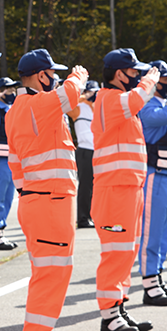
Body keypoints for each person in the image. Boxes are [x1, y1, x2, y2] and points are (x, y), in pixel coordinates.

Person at [6, 48, 85, 331]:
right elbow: (72, 93)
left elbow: (15, 163)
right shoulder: (40, 103)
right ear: (41, 75)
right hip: (49, 201)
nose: (57, 78)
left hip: (39, 199)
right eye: (53, 73)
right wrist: (78, 74)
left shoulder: (17, 109)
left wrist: (30, 192)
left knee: (51, 273)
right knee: (52, 274)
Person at [91, 48, 157, 331]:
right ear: (120, 74)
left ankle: (118, 308)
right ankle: (109, 315)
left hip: (128, 187)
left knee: (127, 251)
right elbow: (138, 98)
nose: (138, 76)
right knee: (115, 252)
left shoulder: (120, 103)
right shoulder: (109, 99)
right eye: (134, 72)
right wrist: (151, 80)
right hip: (114, 189)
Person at [137, 60, 167, 306]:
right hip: (154, 177)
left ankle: (157, 279)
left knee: (164, 233)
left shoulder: (165, 105)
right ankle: (149, 285)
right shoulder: (148, 106)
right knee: (151, 234)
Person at [0, 77, 20, 250]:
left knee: (7, 198)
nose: (12, 93)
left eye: (13, 90)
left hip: (11, 160)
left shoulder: (12, 108)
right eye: (7, 90)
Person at [67, 80, 99, 229]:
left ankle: (92, 215)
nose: (94, 95)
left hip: (98, 150)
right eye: (91, 91)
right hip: (85, 150)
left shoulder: (97, 108)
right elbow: (65, 104)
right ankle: (83, 218)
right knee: (85, 186)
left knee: (96, 186)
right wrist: (84, 96)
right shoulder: (79, 107)